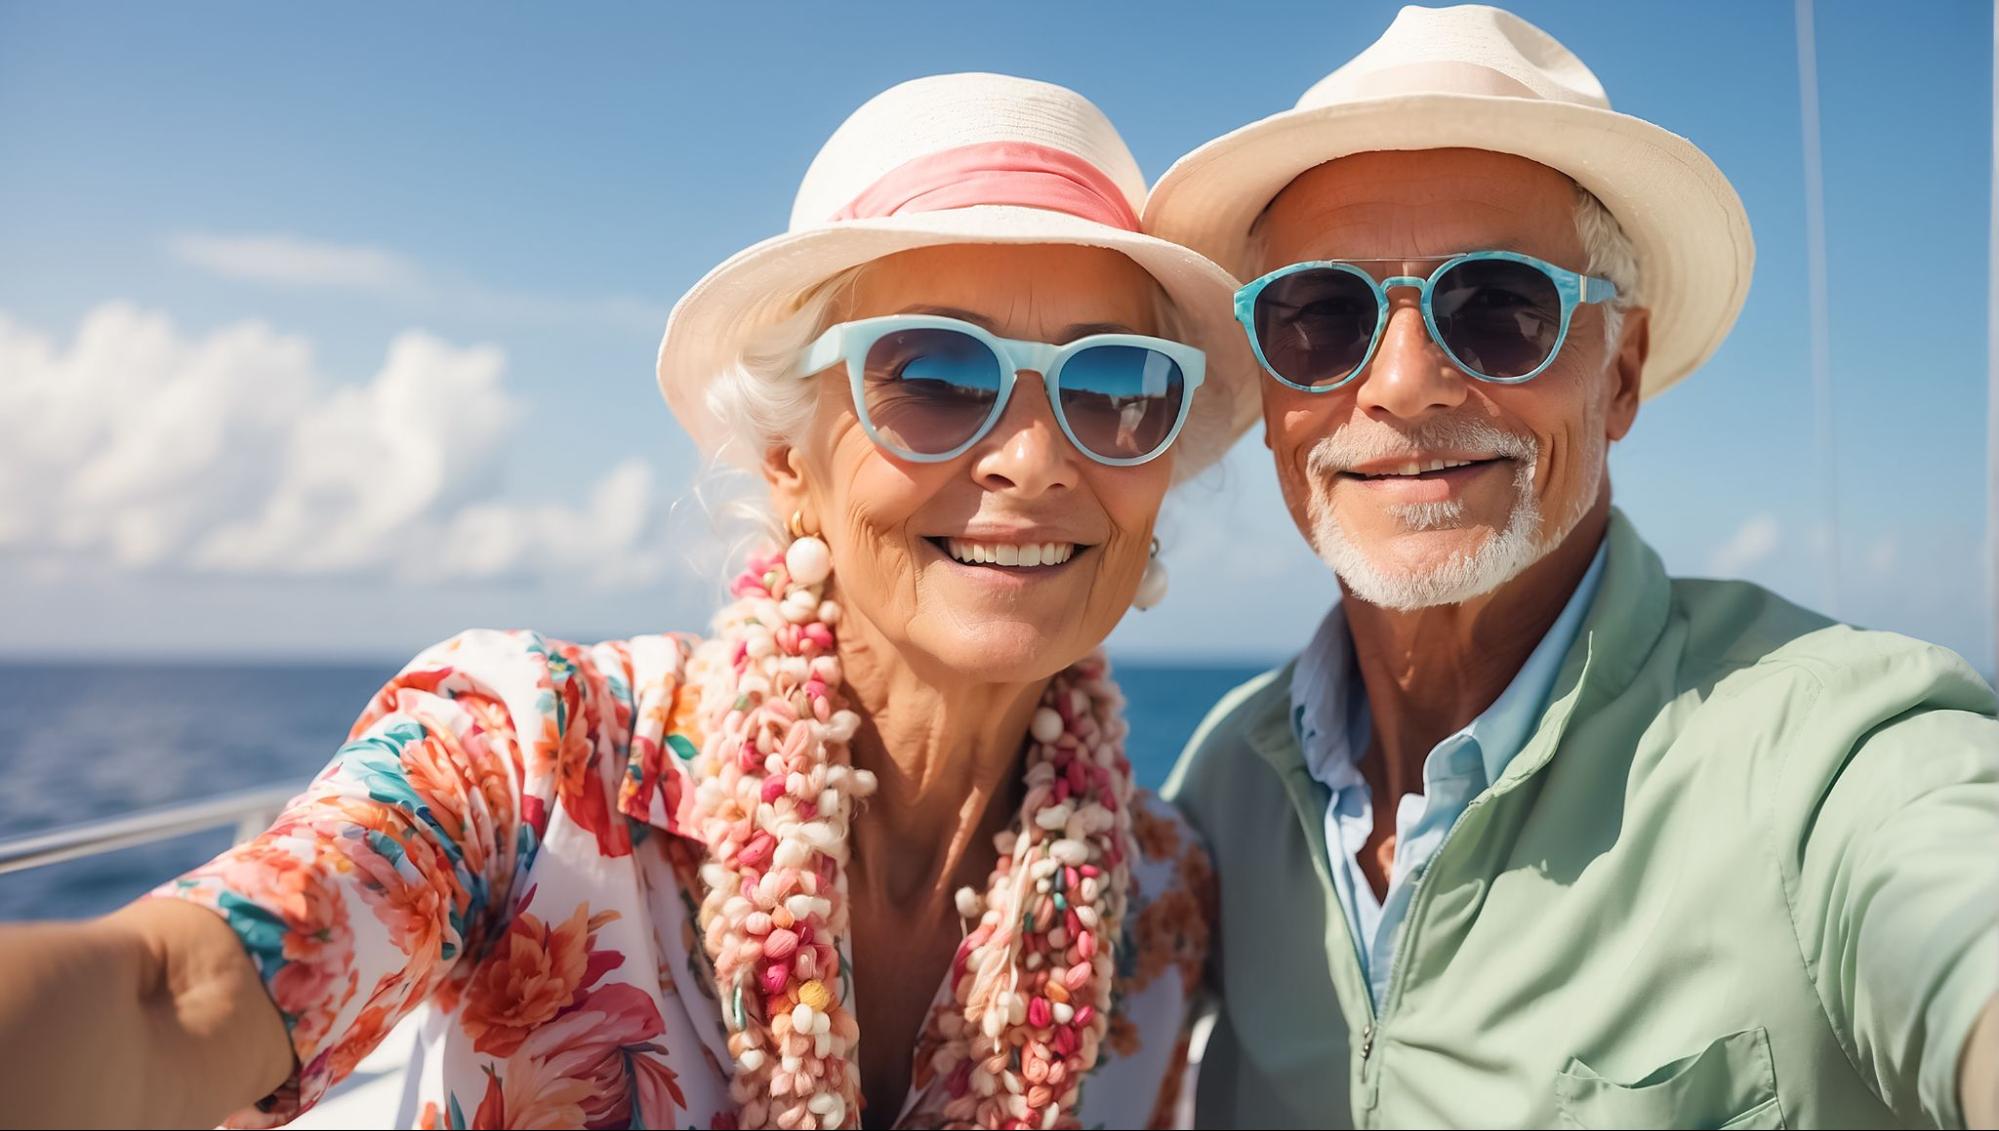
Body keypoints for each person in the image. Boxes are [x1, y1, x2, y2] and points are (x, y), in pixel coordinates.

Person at [0, 72, 1257, 1130]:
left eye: (1113, 387)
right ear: (787, 460)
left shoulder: (1159, 901)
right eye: (932, 374)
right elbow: (174, 995)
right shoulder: (531, 757)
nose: (1034, 459)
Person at [1149, 6, 1999, 1127]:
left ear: (1621, 374)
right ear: (1269, 390)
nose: (1404, 384)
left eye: (1498, 308)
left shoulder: (1830, 752)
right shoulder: (1228, 783)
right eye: (1321, 315)